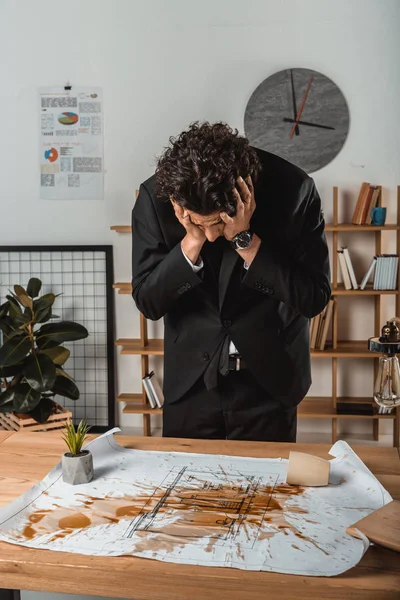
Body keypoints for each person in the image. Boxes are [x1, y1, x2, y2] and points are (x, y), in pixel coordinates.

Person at [131, 122, 331, 442]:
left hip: (269, 383)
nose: (211, 236)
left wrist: (244, 240)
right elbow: (148, 302)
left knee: (269, 491)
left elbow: (314, 298)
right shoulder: (155, 200)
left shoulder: (295, 191)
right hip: (190, 385)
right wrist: (190, 242)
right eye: (200, 224)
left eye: (216, 224)